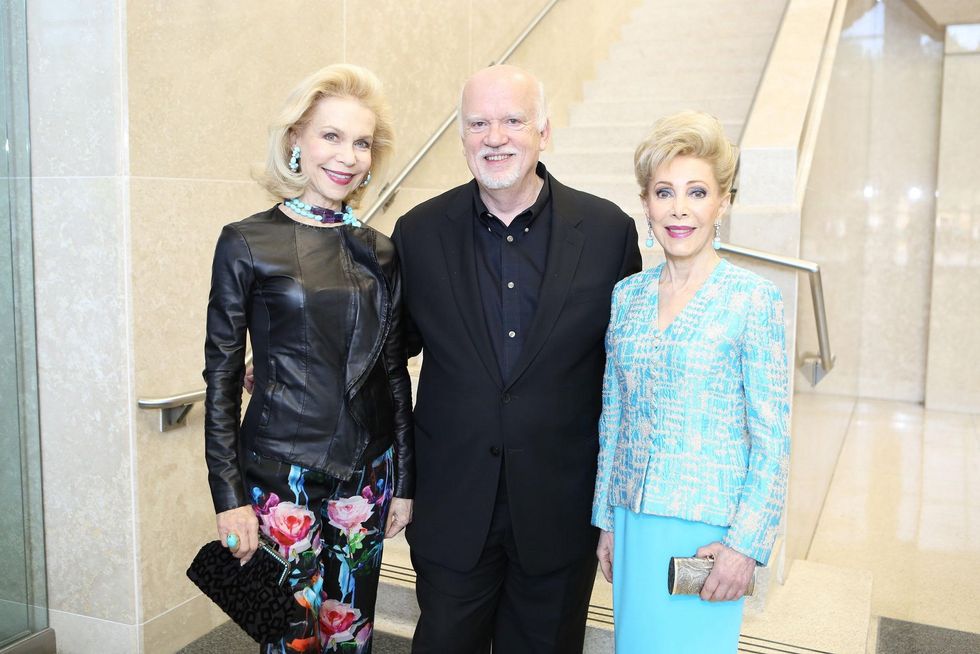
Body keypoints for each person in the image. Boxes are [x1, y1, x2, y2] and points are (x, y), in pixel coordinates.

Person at [391, 64, 642, 654]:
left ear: (544, 132)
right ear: (462, 137)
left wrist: (619, 504)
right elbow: (384, 359)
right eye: (478, 123)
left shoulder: (608, 232)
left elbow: (628, 381)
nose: (494, 137)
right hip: (453, 508)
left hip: (559, 513)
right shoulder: (417, 233)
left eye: (512, 120)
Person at [203, 63, 414, 654]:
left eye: (362, 142)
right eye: (331, 135)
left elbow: (393, 373)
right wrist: (229, 498)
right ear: (296, 138)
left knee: (351, 635)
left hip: (365, 475)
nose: (348, 156)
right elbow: (221, 378)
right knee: (286, 638)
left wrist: (404, 482)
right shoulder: (247, 240)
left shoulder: (381, 251)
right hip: (276, 478)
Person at [591, 110, 791, 653]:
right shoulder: (627, 296)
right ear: (646, 204)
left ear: (722, 202)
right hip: (634, 523)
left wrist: (744, 546)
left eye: (697, 192)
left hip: (707, 536)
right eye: (664, 192)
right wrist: (606, 522)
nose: (679, 209)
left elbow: (773, 440)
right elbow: (614, 416)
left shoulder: (752, 299)